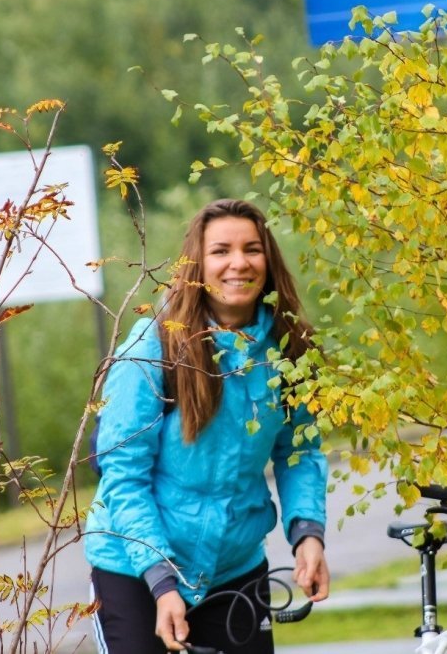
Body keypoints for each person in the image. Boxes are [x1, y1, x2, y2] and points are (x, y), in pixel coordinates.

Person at [83, 198, 330, 653]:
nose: (239, 263)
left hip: (233, 569)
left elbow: (301, 452)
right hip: (135, 571)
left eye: (252, 249)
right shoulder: (152, 346)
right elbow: (124, 477)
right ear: (196, 264)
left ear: (268, 260)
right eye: (221, 251)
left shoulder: (290, 348)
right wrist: (161, 581)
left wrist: (307, 534)